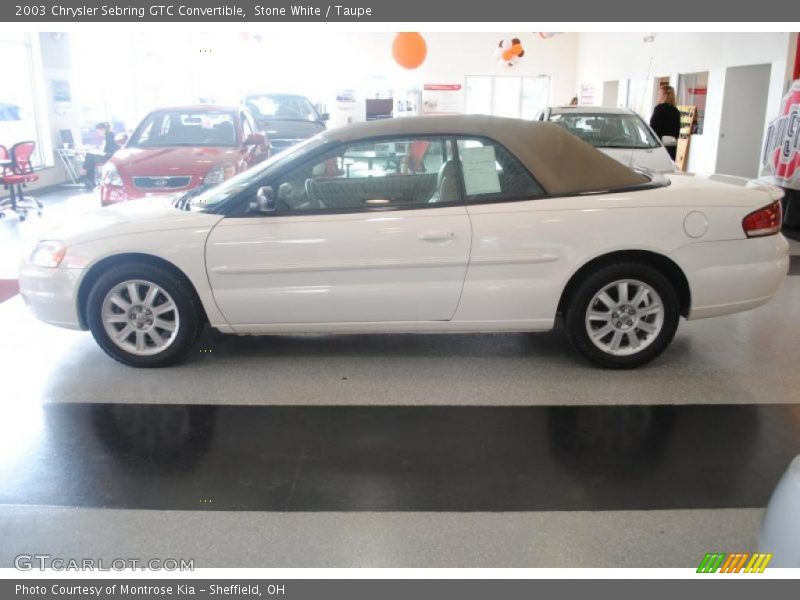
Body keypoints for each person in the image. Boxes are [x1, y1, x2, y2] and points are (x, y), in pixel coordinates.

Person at [81, 122, 119, 191]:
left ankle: (86, 178)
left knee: (89, 157)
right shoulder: (108, 135)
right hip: (108, 155)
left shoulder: (109, 136)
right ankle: (87, 180)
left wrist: (98, 152)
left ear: (102, 129)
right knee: (90, 158)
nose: (98, 134)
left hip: (108, 157)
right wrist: (98, 151)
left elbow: (107, 151)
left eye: (98, 132)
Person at [650, 85, 681, 160]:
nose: (658, 96)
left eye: (659, 94)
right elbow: (677, 131)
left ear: (665, 96)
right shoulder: (676, 111)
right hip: (672, 146)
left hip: (659, 145)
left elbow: (653, 128)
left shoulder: (659, 109)